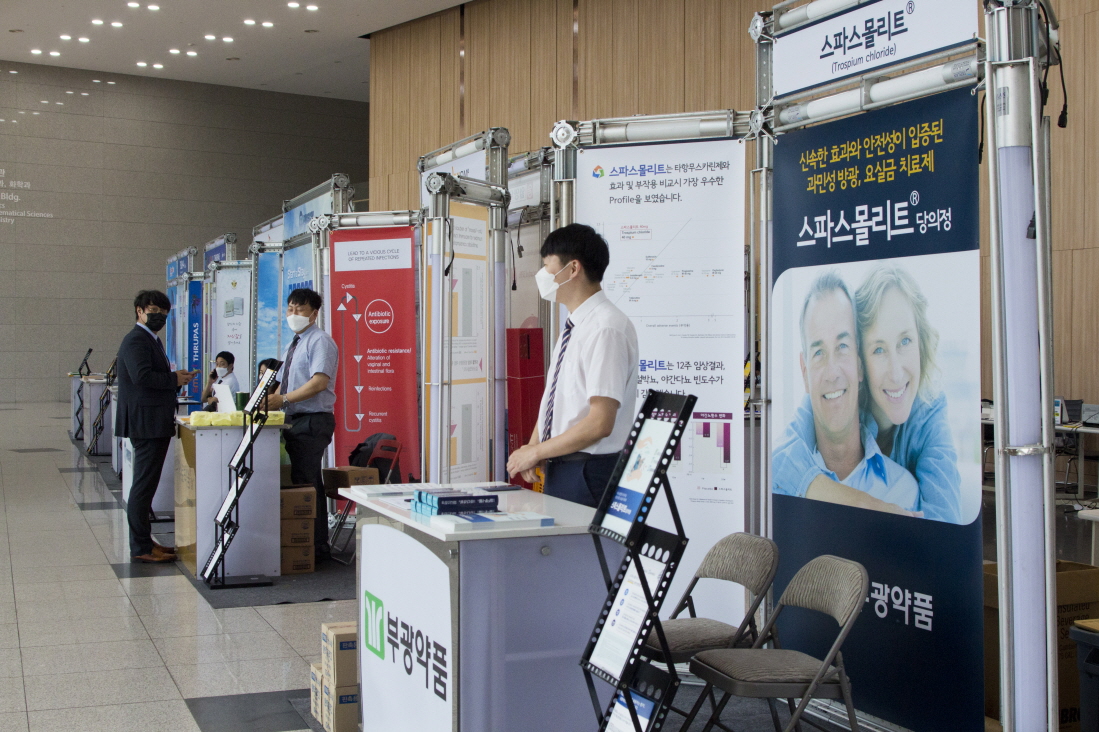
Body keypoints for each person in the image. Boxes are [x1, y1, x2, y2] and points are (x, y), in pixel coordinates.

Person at [506, 224, 639, 508]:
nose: (542, 274)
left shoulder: (605, 328)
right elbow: (556, 401)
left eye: (547, 265)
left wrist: (537, 451)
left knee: (582, 540)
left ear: (573, 268)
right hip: (564, 465)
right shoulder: (576, 325)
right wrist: (534, 446)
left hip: (588, 472)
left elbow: (600, 422)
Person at [772, 271, 919, 515]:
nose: (832, 373)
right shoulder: (777, 483)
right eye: (818, 352)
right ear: (804, 371)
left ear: (860, 364)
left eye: (842, 346)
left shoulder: (903, 492)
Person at [116, 290, 198, 563]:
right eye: (153, 311)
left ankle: (146, 541)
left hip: (153, 420)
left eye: (164, 313)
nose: (159, 316)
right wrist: (173, 379)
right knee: (143, 486)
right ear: (139, 311)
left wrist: (176, 378)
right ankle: (141, 547)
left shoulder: (151, 339)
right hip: (146, 423)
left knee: (146, 485)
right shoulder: (136, 340)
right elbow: (141, 377)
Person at [264, 288, 338, 558]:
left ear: (314, 314)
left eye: (300, 309)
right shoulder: (293, 343)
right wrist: (265, 401)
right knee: (302, 479)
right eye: (290, 309)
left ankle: (316, 547)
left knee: (307, 481)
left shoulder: (320, 341)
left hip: (313, 420)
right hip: (294, 419)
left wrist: (282, 399)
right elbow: (281, 383)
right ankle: (308, 543)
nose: (293, 314)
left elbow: (319, 383)